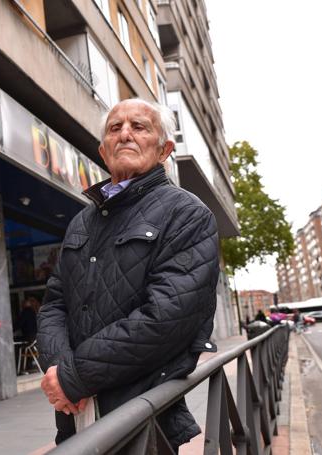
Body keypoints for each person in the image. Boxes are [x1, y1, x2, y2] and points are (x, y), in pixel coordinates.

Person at [37, 98, 219, 452]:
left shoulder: (187, 213)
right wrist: (60, 373)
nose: (125, 135)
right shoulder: (82, 221)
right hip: (75, 412)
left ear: (164, 148)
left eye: (139, 127)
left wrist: (75, 376)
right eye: (114, 128)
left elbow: (167, 318)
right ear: (104, 152)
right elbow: (53, 304)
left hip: (143, 415)